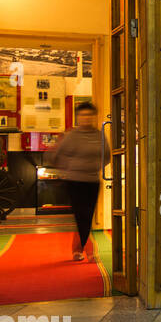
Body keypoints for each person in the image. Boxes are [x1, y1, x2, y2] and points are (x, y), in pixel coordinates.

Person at [47, 102, 109, 262]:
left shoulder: (99, 135)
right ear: (78, 117)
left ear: (94, 117)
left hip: (93, 181)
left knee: (86, 217)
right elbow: (55, 156)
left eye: (89, 115)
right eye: (83, 115)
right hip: (74, 182)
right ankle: (88, 251)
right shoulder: (71, 136)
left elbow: (107, 155)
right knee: (82, 216)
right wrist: (68, 169)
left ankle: (78, 249)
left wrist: (95, 166)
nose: (86, 118)